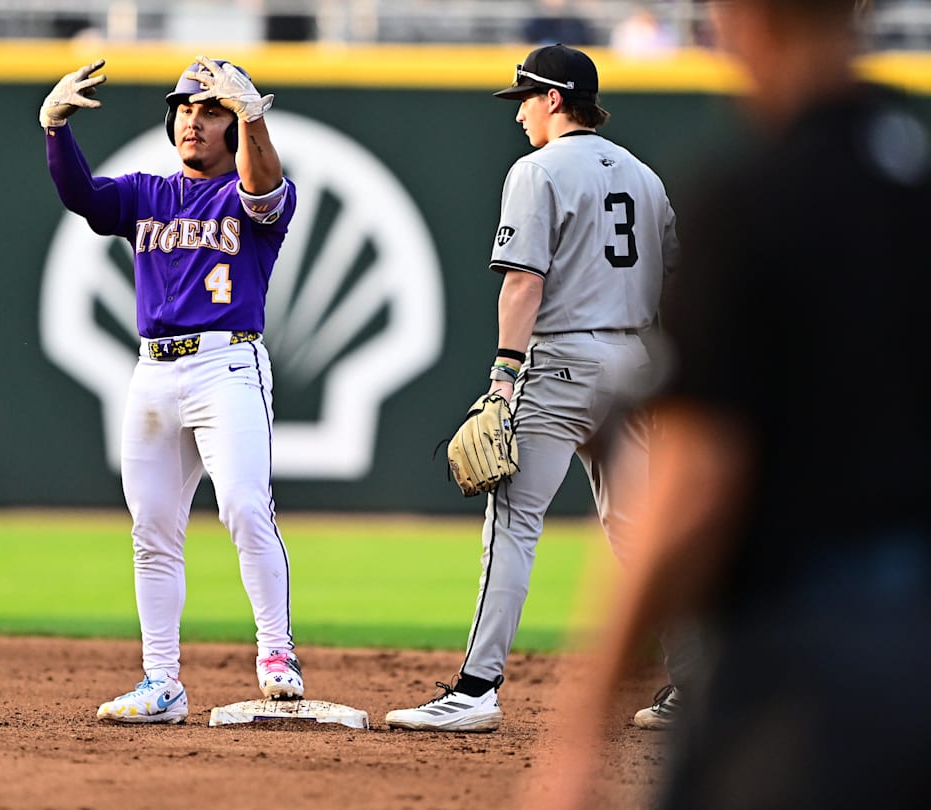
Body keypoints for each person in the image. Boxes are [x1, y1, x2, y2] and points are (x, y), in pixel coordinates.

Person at [528, 1, 931, 807]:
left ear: (750, 23)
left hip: (799, 656)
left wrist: (582, 727)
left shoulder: (749, 201)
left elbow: (694, 490)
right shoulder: (914, 188)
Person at [385, 43, 698, 733]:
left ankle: (475, 690)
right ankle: (697, 686)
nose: (519, 112)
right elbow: (677, 282)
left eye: (525, 98)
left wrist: (503, 377)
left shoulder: (537, 170)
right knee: (641, 531)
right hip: (634, 362)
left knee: (513, 523)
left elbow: (523, 281)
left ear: (554, 98)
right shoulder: (644, 177)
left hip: (559, 364)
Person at [40, 56, 302, 724]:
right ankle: (162, 682)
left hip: (228, 366)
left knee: (244, 506)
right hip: (153, 373)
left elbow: (264, 189)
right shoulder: (144, 194)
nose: (193, 120)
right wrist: (55, 131)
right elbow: (83, 196)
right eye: (185, 108)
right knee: (152, 529)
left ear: (232, 125)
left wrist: (252, 118)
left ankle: (276, 652)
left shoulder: (248, 193)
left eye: (210, 111)